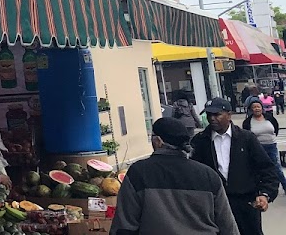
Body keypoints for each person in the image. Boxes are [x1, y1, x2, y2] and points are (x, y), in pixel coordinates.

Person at [109, 117, 238, 235]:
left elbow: (124, 225)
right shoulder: (209, 175)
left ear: (158, 141)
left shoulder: (138, 173)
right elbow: (227, 226)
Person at [191, 98, 279, 235]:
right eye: (209, 115)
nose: (212, 119)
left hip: (245, 202)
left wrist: (265, 194)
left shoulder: (246, 138)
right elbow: (194, 173)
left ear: (229, 114)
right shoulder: (200, 141)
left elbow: (267, 168)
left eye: (217, 114)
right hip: (215, 205)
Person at [241, 101, 286, 191]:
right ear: (251, 110)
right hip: (258, 148)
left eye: (258, 106)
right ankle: (261, 188)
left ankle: (284, 185)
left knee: (276, 168)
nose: (257, 109)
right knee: (259, 169)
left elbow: (275, 129)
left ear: (262, 108)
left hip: (271, 146)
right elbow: (246, 135)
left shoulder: (270, 118)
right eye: (254, 107)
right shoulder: (248, 122)